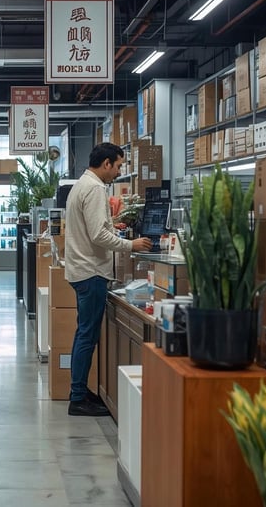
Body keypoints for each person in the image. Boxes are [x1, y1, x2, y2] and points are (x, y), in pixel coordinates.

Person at [64, 143, 152, 416]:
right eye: (118, 166)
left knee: (85, 334)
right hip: (90, 272)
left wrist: (111, 226)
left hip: (84, 270)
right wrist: (131, 245)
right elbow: (97, 237)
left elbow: (96, 228)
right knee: (87, 336)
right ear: (105, 164)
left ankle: (80, 392)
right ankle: (78, 397)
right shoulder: (94, 189)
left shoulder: (83, 185)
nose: (118, 171)